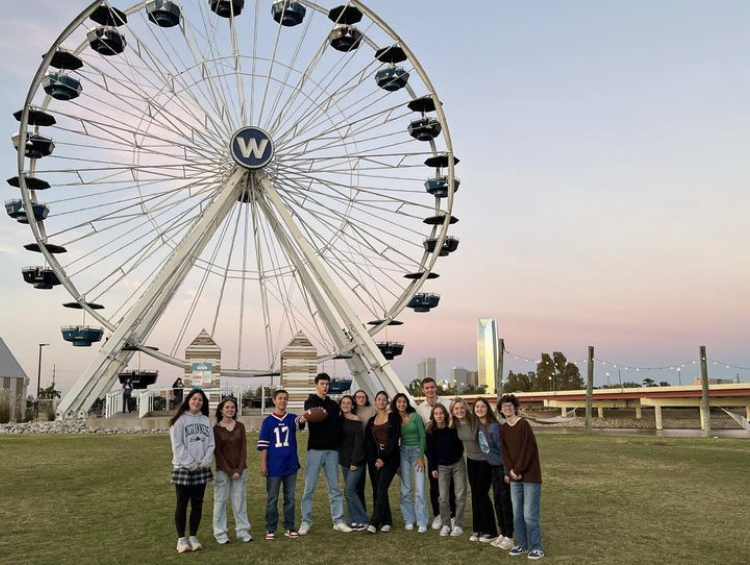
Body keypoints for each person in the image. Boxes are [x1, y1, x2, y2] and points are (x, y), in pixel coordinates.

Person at [299, 373, 352, 535]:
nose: (325, 386)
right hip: (315, 449)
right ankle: (305, 521)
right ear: (316, 385)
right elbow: (309, 417)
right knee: (309, 488)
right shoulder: (310, 402)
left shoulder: (333, 405)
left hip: (331, 451)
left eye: (327, 384)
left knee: (334, 488)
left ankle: (338, 520)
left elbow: (337, 425)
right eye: (322, 383)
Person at [169, 389, 215, 553]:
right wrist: (190, 463)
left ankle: (193, 536)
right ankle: (181, 539)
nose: (197, 402)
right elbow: (178, 446)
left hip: (201, 467)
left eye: (200, 400)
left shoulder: (205, 420)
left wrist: (205, 461)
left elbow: (211, 443)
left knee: (198, 504)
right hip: (183, 468)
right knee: (182, 504)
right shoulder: (179, 421)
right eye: (194, 399)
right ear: (188, 400)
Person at [499, 394, 544, 560]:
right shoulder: (503, 429)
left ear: (515, 407)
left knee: (529, 514)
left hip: (530, 475)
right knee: (517, 513)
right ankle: (522, 544)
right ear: (501, 410)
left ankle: (536, 547)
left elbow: (528, 449)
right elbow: (505, 452)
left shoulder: (524, 425)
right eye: (504, 406)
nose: (507, 408)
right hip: (513, 477)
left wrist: (517, 470)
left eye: (510, 405)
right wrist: (510, 470)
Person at [258, 389, 306, 540]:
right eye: (280, 398)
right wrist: (263, 464)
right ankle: (271, 528)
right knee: (272, 498)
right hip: (273, 465)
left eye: (285, 398)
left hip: (290, 464)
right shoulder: (268, 421)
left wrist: (308, 415)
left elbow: (301, 421)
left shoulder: (291, 418)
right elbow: (264, 446)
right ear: (274, 400)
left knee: (290, 497)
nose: (283, 401)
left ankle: (289, 527)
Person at [452, 397, 498, 543]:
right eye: (456, 409)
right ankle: (477, 529)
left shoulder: (475, 420)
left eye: (461, 408)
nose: (459, 411)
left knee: (482, 493)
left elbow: (491, 429)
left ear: (466, 408)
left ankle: (491, 531)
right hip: (471, 461)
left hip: (485, 461)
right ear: (453, 411)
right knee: (475, 494)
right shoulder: (454, 423)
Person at [475, 397, 514, 550]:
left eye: (482, 407)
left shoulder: (494, 427)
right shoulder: (480, 426)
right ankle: (502, 534)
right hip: (492, 468)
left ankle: (509, 536)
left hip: (501, 468)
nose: (479, 409)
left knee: (505, 502)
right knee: (497, 501)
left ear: (488, 409)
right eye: (477, 407)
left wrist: (506, 471)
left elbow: (504, 451)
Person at [415, 377, 454, 529]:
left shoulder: (447, 403)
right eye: (427, 388)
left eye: (432, 387)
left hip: (448, 447)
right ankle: (438, 515)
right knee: (434, 482)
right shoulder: (420, 409)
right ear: (423, 390)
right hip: (431, 450)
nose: (430, 390)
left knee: (450, 483)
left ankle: (451, 515)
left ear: (436, 388)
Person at [212, 396, 251, 544]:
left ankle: (242, 531)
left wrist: (239, 470)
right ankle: (220, 533)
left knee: (239, 502)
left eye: (232, 407)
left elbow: (243, 449)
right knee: (220, 502)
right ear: (222, 409)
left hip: (240, 470)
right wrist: (229, 471)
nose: (230, 410)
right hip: (223, 471)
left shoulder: (240, 426)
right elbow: (218, 453)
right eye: (227, 407)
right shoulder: (216, 429)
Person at [425, 403, 466, 538]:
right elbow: (430, 453)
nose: (439, 416)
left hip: (457, 464)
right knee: (443, 497)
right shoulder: (430, 431)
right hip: (442, 467)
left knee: (459, 495)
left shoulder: (452, 427)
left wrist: (454, 458)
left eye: (441, 413)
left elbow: (460, 446)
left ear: (445, 414)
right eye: (436, 414)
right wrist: (432, 468)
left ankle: (458, 524)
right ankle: (446, 524)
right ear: (433, 416)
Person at [364, 390, 400, 533]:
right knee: (377, 490)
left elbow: (394, 439)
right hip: (375, 460)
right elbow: (369, 443)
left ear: (387, 402)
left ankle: (374, 522)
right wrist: (375, 460)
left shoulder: (393, 417)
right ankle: (387, 521)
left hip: (390, 459)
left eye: (384, 400)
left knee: (382, 488)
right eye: (379, 399)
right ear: (375, 401)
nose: (381, 402)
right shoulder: (372, 421)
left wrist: (383, 458)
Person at [393, 392, 428, 533]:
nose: (401, 404)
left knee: (420, 490)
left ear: (407, 403)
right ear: (395, 404)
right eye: (399, 402)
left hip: (416, 453)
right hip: (403, 453)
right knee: (405, 490)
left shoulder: (415, 417)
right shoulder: (394, 419)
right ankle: (409, 519)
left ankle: (422, 521)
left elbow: (422, 436)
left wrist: (420, 456)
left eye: (403, 401)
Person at [338, 395, 369, 530]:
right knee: (352, 490)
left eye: (348, 403)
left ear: (352, 406)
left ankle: (364, 519)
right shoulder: (339, 421)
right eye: (343, 403)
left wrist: (355, 461)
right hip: (344, 461)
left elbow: (359, 444)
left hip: (356, 461)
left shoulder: (357, 421)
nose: (345, 405)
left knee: (349, 490)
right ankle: (353, 520)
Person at [353, 389, 376, 511]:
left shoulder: (372, 411)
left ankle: (378, 513)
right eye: (358, 397)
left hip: (371, 449)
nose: (360, 399)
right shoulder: (351, 411)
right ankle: (361, 512)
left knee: (376, 483)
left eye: (363, 396)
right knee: (359, 484)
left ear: (366, 398)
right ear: (354, 399)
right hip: (358, 450)